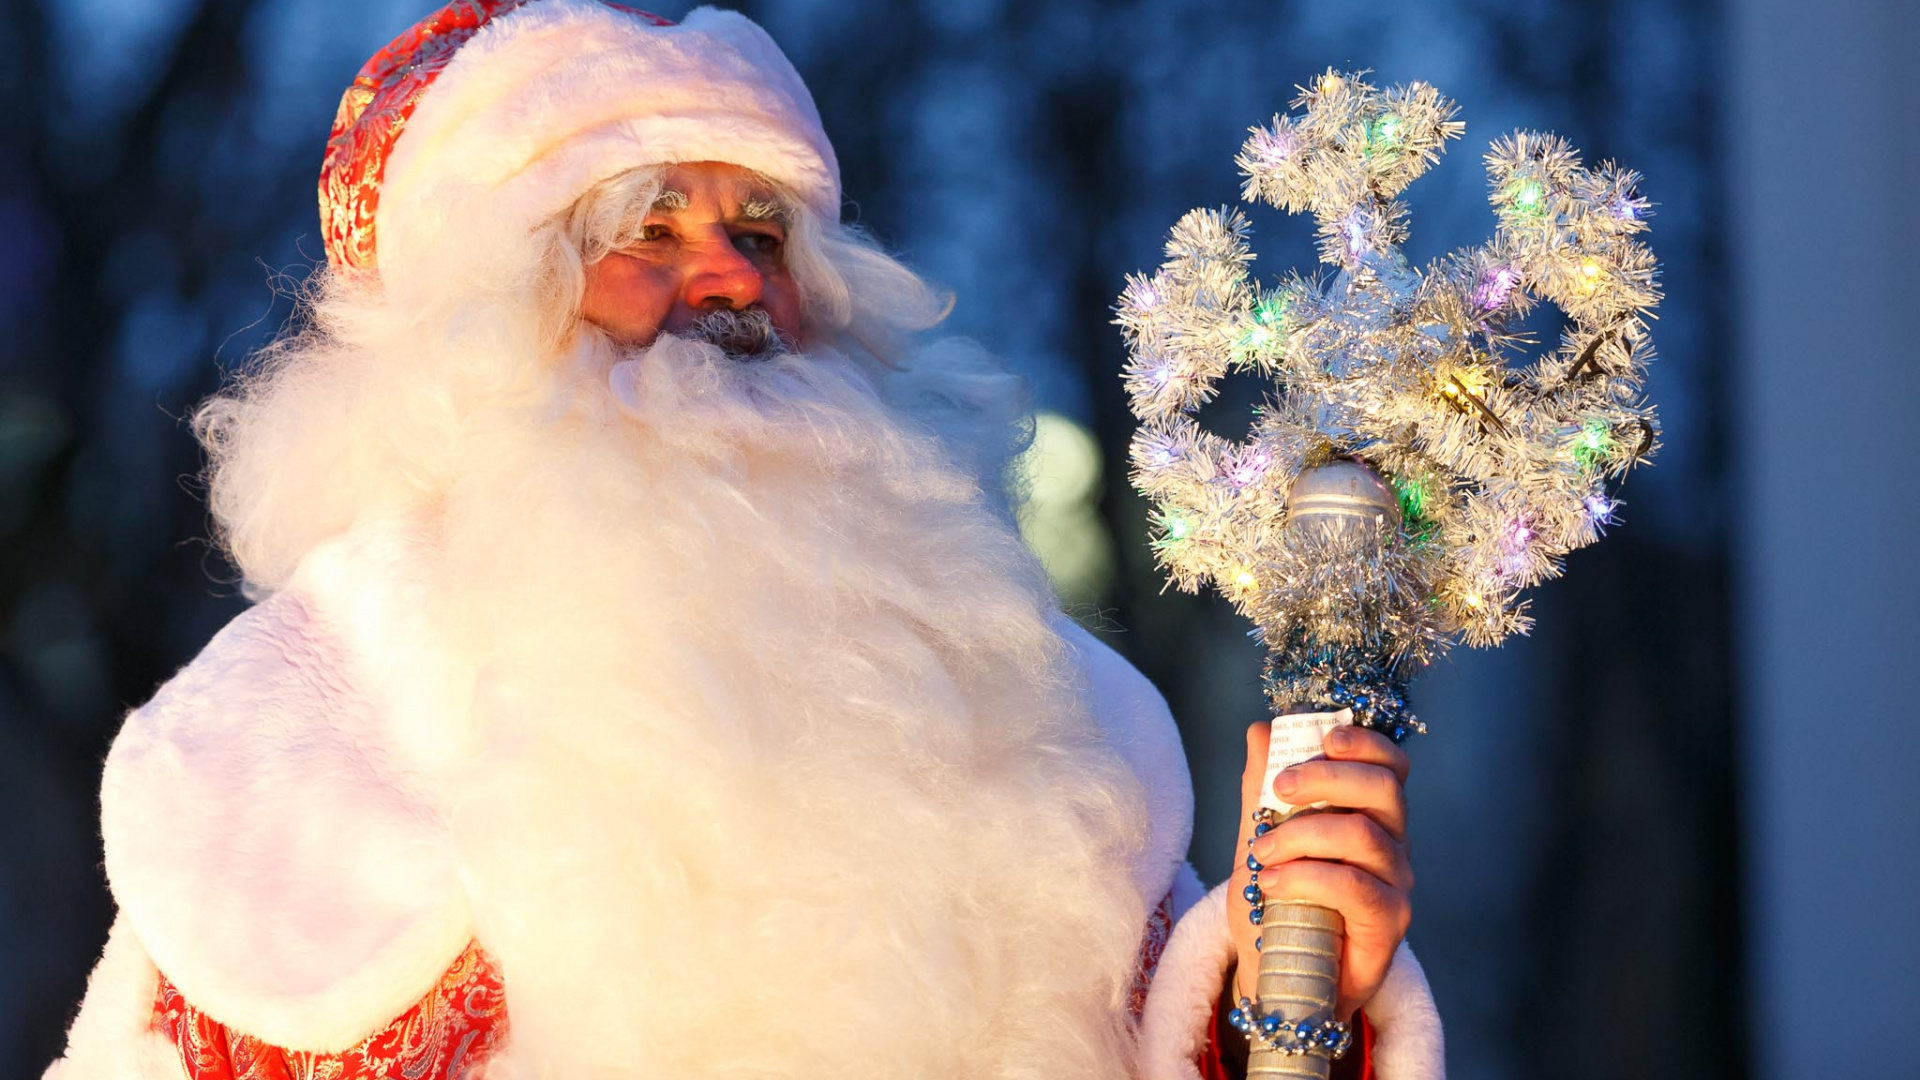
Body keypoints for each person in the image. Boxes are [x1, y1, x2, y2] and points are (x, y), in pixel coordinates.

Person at [44, 4, 1444, 1078]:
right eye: (645, 228)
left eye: (765, 231)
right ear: (480, 324)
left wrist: (1291, 977)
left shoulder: (1027, 700)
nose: (732, 278)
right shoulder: (305, 740)